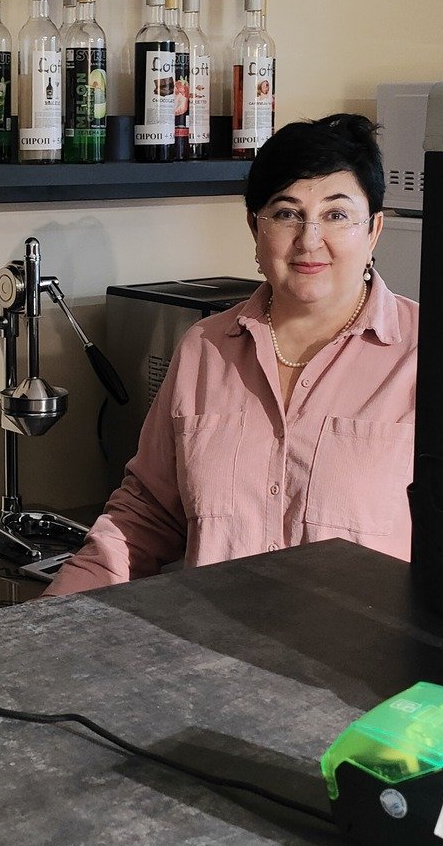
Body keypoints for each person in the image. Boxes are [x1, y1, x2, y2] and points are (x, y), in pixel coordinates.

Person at [47, 113, 417, 595]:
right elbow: (146, 516)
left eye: (336, 215)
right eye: (286, 213)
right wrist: (50, 617)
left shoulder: (426, 356)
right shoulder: (204, 349)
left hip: (366, 644)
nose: (309, 240)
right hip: (211, 640)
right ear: (254, 227)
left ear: (373, 230)